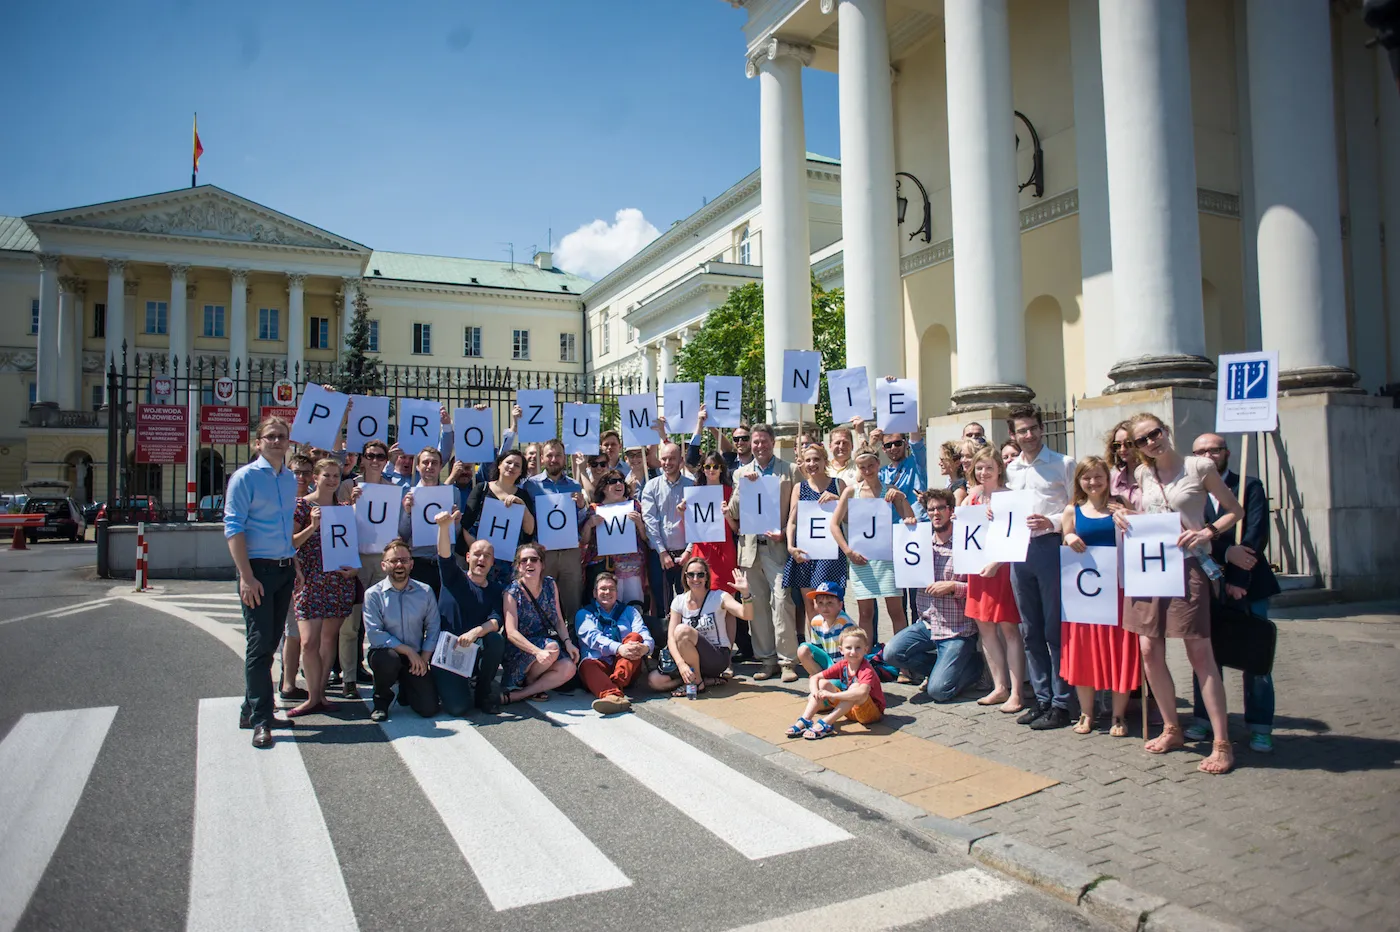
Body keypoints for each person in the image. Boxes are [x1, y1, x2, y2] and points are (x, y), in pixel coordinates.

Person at [1116, 413, 1243, 775]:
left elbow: (1234, 511)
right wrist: (1124, 517)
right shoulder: (1142, 474)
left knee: (1199, 651)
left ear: (1166, 431)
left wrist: (1208, 533)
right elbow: (1146, 516)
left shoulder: (1199, 467)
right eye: (1141, 440)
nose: (1150, 442)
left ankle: (1222, 742)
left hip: (1188, 566)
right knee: (1148, 648)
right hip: (1150, 565)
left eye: (1154, 434)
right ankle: (1172, 728)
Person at [1186, 433, 1281, 754]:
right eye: (1200, 452)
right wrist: (1224, 553)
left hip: (1248, 585)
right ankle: (1204, 718)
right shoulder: (1191, 492)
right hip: (1207, 585)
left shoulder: (1249, 487)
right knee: (1207, 656)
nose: (1208, 456)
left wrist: (1238, 577)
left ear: (1226, 453)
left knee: (1255, 655)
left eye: (1214, 449)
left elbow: (1254, 535)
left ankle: (1260, 725)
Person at [224, 417, 300, 748]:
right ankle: (261, 719)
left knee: (271, 644)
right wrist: (245, 576)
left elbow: (285, 528)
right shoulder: (244, 478)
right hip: (257, 571)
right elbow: (233, 528)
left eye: (282, 436)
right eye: (270, 436)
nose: (277, 441)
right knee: (259, 647)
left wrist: (294, 565)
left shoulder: (289, 479)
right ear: (258, 442)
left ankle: (249, 709)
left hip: (283, 569)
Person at [1004, 403, 1077, 730]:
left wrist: (1050, 521)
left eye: (1033, 428)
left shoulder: (1063, 464)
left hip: (1050, 546)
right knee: (1029, 628)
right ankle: (1042, 698)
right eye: (1022, 430)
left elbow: (1077, 506)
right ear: (1013, 435)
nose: (1028, 435)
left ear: (1041, 428)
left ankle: (1062, 703)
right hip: (1018, 551)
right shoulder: (1011, 469)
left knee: (1053, 628)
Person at [1060, 456, 1140, 736]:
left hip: (1117, 591)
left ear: (1107, 479)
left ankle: (1118, 715)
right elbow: (1065, 537)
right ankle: (1087, 712)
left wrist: (1129, 519)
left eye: (1098, 477)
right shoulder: (1072, 510)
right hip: (1084, 596)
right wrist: (1069, 538)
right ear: (1079, 481)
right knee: (1084, 651)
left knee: (1119, 652)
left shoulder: (1120, 508)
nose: (1093, 482)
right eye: (1087, 477)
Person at [883, 488, 983, 703]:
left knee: (939, 692)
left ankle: (974, 667)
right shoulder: (920, 543)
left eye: (940, 508)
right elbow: (901, 563)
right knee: (891, 653)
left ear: (951, 510)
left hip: (958, 630)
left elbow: (980, 588)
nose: (936, 513)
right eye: (930, 510)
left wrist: (953, 586)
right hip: (928, 625)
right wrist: (907, 532)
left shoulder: (967, 542)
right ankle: (943, 669)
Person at [287, 458, 359, 717]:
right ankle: (311, 695)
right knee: (308, 642)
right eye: (326, 475)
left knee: (329, 641)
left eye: (335, 476)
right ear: (315, 478)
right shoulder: (301, 506)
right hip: (310, 580)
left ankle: (320, 695)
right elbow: (290, 542)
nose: (331, 480)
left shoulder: (343, 509)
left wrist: (355, 568)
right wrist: (312, 526)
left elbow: (351, 545)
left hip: (337, 582)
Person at [725, 424, 797, 681]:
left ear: (773, 442)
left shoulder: (789, 470)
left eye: (764, 441)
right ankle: (767, 660)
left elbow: (797, 509)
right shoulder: (741, 473)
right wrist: (742, 487)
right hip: (750, 549)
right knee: (757, 606)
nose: (759, 446)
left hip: (777, 547)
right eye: (755, 442)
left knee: (781, 601)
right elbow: (733, 513)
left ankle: (787, 660)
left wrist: (787, 535)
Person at [965, 446, 1028, 714]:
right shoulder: (972, 497)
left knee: (1009, 630)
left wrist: (997, 563)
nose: (983, 472)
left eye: (989, 467)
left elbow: (1017, 537)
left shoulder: (1010, 497)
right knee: (985, 629)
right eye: (979, 468)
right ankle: (999, 686)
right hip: (977, 570)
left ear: (999, 468)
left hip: (1002, 569)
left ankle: (1017, 691)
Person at [830, 447, 914, 643]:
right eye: (862, 467)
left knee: (896, 611)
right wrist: (848, 551)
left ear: (878, 465)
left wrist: (901, 498)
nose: (867, 470)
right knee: (865, 613)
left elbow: (910, 518)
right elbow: (834, 524)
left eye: (871, 466)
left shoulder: (889, 490)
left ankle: (903, 663)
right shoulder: (852, 491)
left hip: (887, 559)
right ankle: (863, 661)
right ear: (857, 468)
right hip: (861, 560)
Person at [430, 509, 506, 716]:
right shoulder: (453, 577)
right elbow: (444, 554)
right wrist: (444, 528)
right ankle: (451, 685)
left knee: (495, 640)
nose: (482, 558)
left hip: (474, 649)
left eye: (487, 556)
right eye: (478, 554)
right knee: (459, 708)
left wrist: (474, 633)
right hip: (447, 652)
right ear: (468, 557)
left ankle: (483, 691)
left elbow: (495, 622)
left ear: (492, 562)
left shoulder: (496, 589)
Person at [339, 439, 397, 698]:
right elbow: (336, 525)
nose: (375, 460)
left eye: (380, 456)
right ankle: (349, 678)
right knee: (350, 624)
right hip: (355, 558)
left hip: (382, 559)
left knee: (382, 621)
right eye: (370, 455)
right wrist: (350, 505)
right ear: (362, 458)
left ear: (386, 460)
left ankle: (384, 673)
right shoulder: (347, 486)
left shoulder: (391, 488)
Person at [647, 559, 753, 695]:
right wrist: (681, 664)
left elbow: (747, 615)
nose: (695, 579)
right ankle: (701, 679)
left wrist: (745, 594)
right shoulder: (679, 601)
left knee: (682, 631)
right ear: (685, 577)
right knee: (654, 681)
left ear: (707, 577)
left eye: (700, 575)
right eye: (691, 575)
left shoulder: (719, 596)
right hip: (688, 659)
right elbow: (671, 639)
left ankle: (696, 683)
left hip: (716, 657)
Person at [362, 539, 441, 722]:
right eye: (394, 561)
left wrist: (424, 658)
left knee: (429, 709)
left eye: (404, 560)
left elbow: (433, 627)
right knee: (388, 659)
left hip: (416, 657)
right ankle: (381, 701)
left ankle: (407, 687)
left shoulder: (425, 591)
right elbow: (374, 634)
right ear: (384, 565)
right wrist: (406, 650)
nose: (399, 565)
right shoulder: (373, 595)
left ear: (411, 564)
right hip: (386, 653)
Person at [500, 542, 579, 704]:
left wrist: (568, 642)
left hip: (546, 646)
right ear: (518, 566)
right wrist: (537, 652)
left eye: (534, 559)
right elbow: (511, 633)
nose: (529, 563)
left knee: (569, 668)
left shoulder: (550, 584)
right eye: (524, 560)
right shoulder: (512, 592)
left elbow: (557, 619)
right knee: (552, 648)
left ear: (542, 564)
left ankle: (522, 693)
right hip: (520, 649)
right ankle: (526, 680)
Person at [523, 439, 587, 625]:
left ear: (564, 458)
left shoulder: (575, 485)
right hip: (543, 553)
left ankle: (574, 644)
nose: (554, 459)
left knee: (573, 603)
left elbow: (580, 522)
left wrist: (582, 507)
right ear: (542, 459)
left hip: (570, 553)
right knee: (541, 600)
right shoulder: (530, 486)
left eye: (558, 455)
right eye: (549, 455)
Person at [783, 443, 848, 627]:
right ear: (802, 463)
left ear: (825, 461)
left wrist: (838, 500)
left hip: (830, 553)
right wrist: (790, 546)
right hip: (806, 552)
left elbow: (851, 517)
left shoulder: (838, 484)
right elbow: (792, 521)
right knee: (811, 605)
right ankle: (817, 647)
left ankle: (837, 644)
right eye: (808, 460)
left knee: (831, 602)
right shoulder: (799, 488)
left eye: (816, 459)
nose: (812, 463)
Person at [575, 573, 655, 714]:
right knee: (586, 664)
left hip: (627, 668)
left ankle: (614, 687)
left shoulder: (630, 612)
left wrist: (646, 648)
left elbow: (643, 632)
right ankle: (614, 695)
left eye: (611, 589)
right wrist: (619, 648)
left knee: (635, 637)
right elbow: (593, 638)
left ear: (617, 593)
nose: (607, 592)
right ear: (595, 593)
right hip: (599, 665)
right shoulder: (583, 614)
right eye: (603, 589)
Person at [785, 627, 885, 740]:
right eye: (848, 648)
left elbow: (861, 693)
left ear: (865, 650)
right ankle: (806, 720)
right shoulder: (843, 664)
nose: (853, 652)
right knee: (822, 683)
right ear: (841, 649)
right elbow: (815, 677)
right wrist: (815, 692)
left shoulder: (866, 670)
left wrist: (832, 695)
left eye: (858, 648)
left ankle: (826, 723)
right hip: (849, 710)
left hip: (869, 714)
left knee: (855, 688)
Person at [461, 448, 537, 589]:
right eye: (508, 462)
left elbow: (529, 530)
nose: (512, 467)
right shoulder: (481, 489)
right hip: (482, 562)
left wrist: (523, 507)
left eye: (517, 465)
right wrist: (481, 553)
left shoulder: (523, 495)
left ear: (521, 472)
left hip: (510, 564)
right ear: (499, 465)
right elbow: (466, 525)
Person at [277, 452, 315, 704]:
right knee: (292, 630)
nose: (301, 477)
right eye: (296, 472)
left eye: (305, 472)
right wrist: (312, 527)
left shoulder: (314, 499)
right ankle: (288, 683)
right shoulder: (283, 499)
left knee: (299, 632)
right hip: (289, 570)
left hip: (313, 571)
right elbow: (289, 541)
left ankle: (291, 678)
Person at [581, 468, 650, 607]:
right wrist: (589, 525)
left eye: (621, 481)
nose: (619, 484)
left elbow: (646, 538)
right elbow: (584, 541)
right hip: (604, 569)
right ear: (604, 488)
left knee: (634, 607)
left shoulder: (635, 506)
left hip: (631, 568)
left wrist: (639, 524)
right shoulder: (594, 509)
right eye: (613, 481)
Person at [640, 442, 693, 618]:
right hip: (659, 554)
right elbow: (649, 520)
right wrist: (662, 552)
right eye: (664, 458)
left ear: (681, 461)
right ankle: (666, 641)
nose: (667, 462)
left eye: (672, 458)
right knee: (663, 603)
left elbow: (698, 523)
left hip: (686, 554)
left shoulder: (693, 486)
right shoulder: (651, 487)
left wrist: (689, 551)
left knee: (689, 600)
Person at [395, 447, 453, 596]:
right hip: (418, 563)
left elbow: (455, 536)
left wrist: (455, 523)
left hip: (444, 563)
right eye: (425, 462)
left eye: (434, 463)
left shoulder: (453, 493)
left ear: (440, 466)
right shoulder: (405, 493)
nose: (429, 466)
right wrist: (407, 513)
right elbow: (403, 534)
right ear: (417, 466)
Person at [688, 452, 739, 595]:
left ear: (721, 468)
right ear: (703, 469)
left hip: (724, 550)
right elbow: (691, 527)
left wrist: (727, 516)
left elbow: (736, 529)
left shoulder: (731, 493)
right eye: (707, 466)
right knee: (701, 596)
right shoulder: (694, 494)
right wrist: (682, 512)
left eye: (715, 466)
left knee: (727, 598)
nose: (711, 470)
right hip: (702, 549)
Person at [795, 581, 857, 677]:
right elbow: (817, 648)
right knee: (803, 650)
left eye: (829, 603)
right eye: (820, 603)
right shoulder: (816, 621)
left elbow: (852, 654)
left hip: (845, 666)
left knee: (829, 686)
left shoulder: (844, 623)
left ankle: (830, 682)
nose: (824, 607)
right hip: (829, 661)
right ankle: (821, 678)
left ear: (840, 605)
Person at [1107, 420, 1143, 510]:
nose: (1122, 449)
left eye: (1128, 444)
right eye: (1117, 445)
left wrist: (1130, 513)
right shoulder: (1113, 478)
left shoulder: (1155, 476)